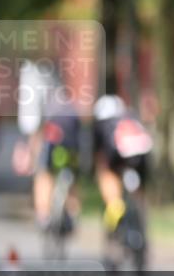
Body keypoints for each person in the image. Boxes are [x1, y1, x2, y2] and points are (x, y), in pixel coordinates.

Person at [92, 94, 152, 255]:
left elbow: (100, 156)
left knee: (108, 180)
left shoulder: (102, 124)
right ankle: (141, 220)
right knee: (139, 197)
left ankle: (115, 212)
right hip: (142, 156)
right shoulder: (131, 115)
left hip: (116, 156)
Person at [29, 97, 82, 232]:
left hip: (53, 143)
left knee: (44, 174)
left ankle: (43, 215)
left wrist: (33, 159)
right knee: (73, 177)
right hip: (71, 145)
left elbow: (38, 135)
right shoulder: (72, 108)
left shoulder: (46, 107)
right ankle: (73, 213)